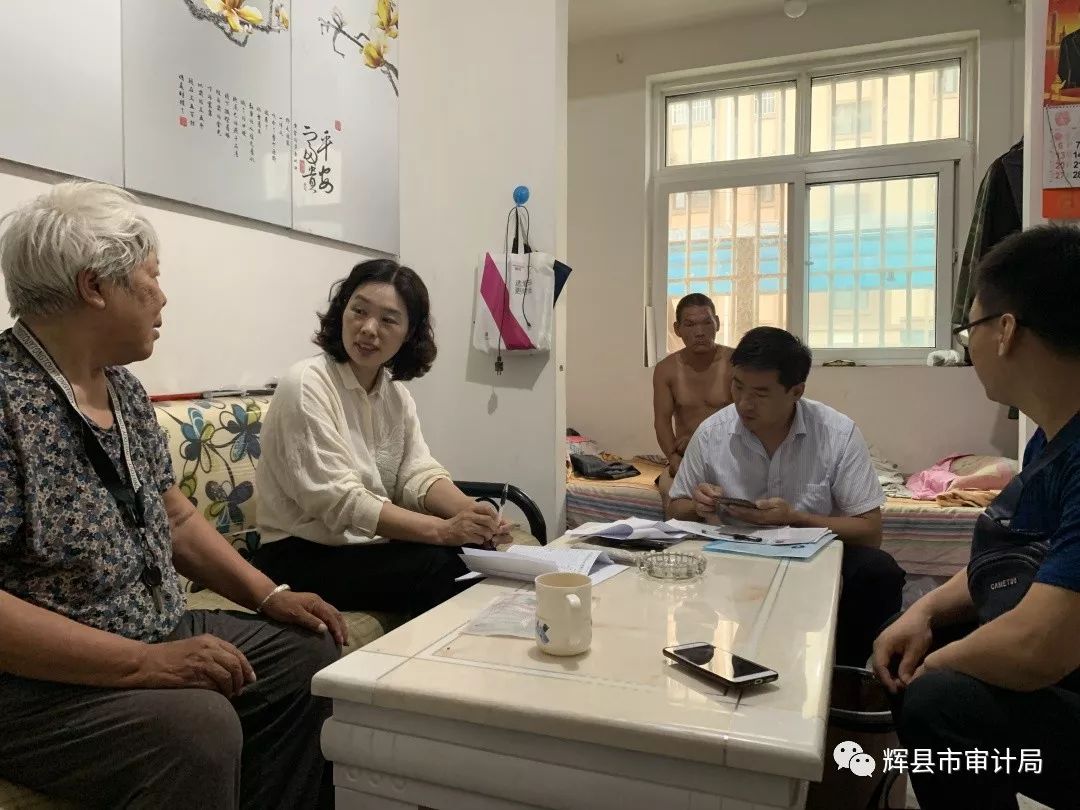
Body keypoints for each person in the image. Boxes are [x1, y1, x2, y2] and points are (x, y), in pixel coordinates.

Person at [0, 182, 348, 810]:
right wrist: (144, 665)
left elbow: (175, 517)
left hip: (149, 624)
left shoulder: (123, 390)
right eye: (151, 278)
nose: (162, 297)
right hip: (37, 678)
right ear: (94, 286)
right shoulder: (6, 401)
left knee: (309, 652)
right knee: (198, 728)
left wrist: (270, 594)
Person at [872, 225, 1080, 810]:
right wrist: (924, 611)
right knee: (909, 645)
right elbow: (1013, 556)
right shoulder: (1050, 438)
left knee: (938, 700)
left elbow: (1041, 644)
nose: (969, 349)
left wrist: (934, 666)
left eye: (971, 329)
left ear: (1006, 330)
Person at [253, 259, 511, 617]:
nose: (368, 329)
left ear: (409, 333)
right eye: (359, 311)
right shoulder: (306, 383)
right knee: (444, 566)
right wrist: (443, 531)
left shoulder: (395, 395)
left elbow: (416, 473)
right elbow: (340, 500)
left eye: (388, 320)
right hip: (298, 553)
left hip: (363, 547)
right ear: (342, 311)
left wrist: (471, 514)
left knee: (478, 553)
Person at [667, 326, 904, 667]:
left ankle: (847, 675)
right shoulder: (712, 432)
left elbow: (870, 531)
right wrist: (699, 504)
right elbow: (675, 509)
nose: (743, 403)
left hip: (809, 559)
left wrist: (794, 518)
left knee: (878, 571)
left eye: (760, 393)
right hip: (732, 554)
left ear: (796, 391)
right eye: (737, 385)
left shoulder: (836, 434)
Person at [652, 293, 733, 509]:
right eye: (690, 324)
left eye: (707, 322)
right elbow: (661, 421)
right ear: (677, 329)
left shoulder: (735, 363)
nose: (699, 332)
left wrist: (703, 440)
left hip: (730, 456)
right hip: (685, 458)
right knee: (674, 503)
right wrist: (673, 457)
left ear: (717, 323)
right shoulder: (666, 369)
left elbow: (746, 417)